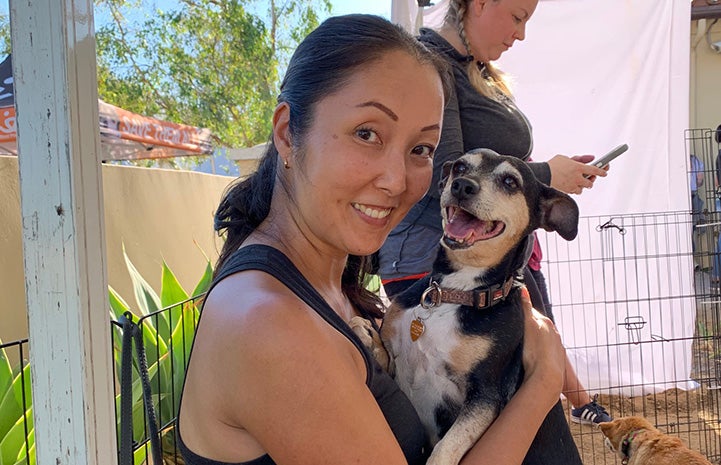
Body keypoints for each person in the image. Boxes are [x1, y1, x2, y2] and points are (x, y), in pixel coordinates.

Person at [177, 14, 568, 465]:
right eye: (367, 134)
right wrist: (543, 384)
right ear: (287, 133)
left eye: (421, 149)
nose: (397, 179)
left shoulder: (320, 281)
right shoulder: (270, 327)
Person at [377, 0, 612, 426]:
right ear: (480, 4)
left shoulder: (479, 72)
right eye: (518, 17)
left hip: (498, 263)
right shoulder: (431, 67)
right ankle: (580, 403)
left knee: (524, 401)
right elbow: (437, 171)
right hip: (434, 267)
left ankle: (579, 402)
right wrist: (546, 173)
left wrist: (547, 180)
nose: (520, 34)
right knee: (459, 414)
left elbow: (495, 171)